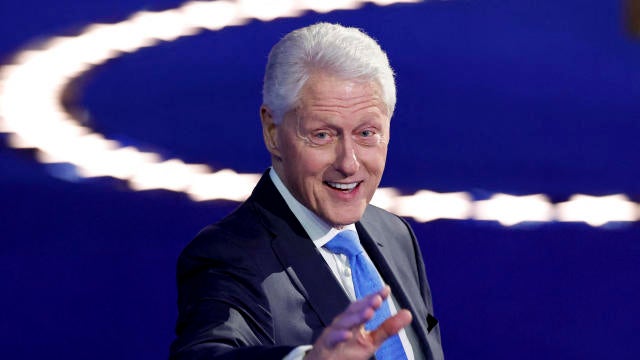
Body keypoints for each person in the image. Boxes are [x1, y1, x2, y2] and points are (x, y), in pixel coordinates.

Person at [169, 22, 443, 360]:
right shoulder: (227, 256)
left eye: (367, 133)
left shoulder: (395, 234)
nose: (349, 163)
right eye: (323, 135)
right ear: (272, 131)